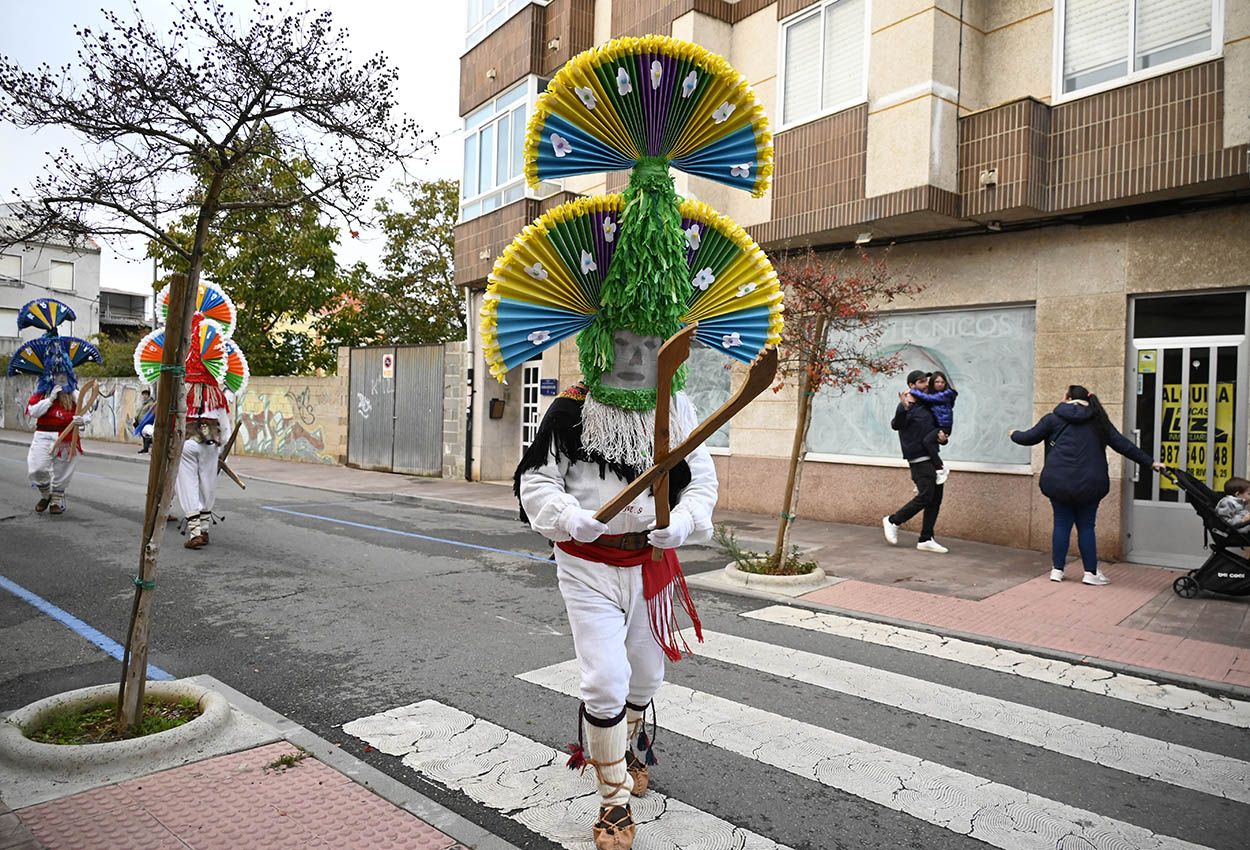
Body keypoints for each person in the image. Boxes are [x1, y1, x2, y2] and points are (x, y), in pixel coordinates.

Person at [1011, 385, 1164, 585]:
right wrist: (1150, 462)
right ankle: (1090, 573)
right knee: (1086, 527)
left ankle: (1057, 570)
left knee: (1061, 524)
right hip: (1091, 484)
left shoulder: (1052, 419)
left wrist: (1013, 433)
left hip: (1059, 483)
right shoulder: (1099, 421)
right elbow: (1123, 445)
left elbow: (1028, 438)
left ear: (1066, 397)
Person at [5, 299, 102, 515]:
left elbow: (88, 410)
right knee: (37, 468)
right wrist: (49, 399)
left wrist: (81, 421)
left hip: (68, 437)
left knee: (63, 471)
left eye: (61, 372)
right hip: (43, 435)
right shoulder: (42, 392)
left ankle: (57, 499)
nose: (58, 376)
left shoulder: (74, 392)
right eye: (54, 372)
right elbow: (32, 412)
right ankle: (45, 494)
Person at [883, 370, 948, 553]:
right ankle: (893, 521)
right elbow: (897, 425)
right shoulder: (907, 406)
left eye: (926, 381)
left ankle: (926, 538)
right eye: (921, 382)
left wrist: (943, 438)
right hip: (918, 458)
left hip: (933, 456)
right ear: (912, 385)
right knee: (926, 495)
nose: (926, 385)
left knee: (935, 499)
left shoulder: (928, 405)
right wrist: (903, 407)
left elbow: (935, 430)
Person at [907, 370, 958, 485]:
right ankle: (921, 482)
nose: (940, 384)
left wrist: (913, 391)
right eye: (937, 382)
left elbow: (930, 399)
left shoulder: (946, 394)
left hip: (944, 426)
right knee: (928, 441)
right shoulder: (931, 395)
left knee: (927, 441)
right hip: (939, 427)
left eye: (942, 382)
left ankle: (940, 468)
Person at [133, 388, 155, 453]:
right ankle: (145, 448)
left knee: (146, 436)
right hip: (140, 422)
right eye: (143, 395)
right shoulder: (144, 404)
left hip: (146, 422)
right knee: (143, 436)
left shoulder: (150, 404)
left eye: (145, 395)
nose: (144, 396)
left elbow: (150, 413)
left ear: (148, 396)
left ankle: (146, 448)